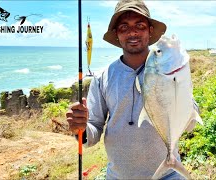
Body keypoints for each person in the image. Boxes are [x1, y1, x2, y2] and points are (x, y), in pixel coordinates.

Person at [66, 0, 196, 179]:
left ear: (150, 31)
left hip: (170, 176)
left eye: (140, 25)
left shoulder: (169, 68)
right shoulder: (103, 77)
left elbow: (190, 124)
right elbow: (94, 130)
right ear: (117, 35)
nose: (132, 32)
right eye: (124, 27)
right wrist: (81, 129)